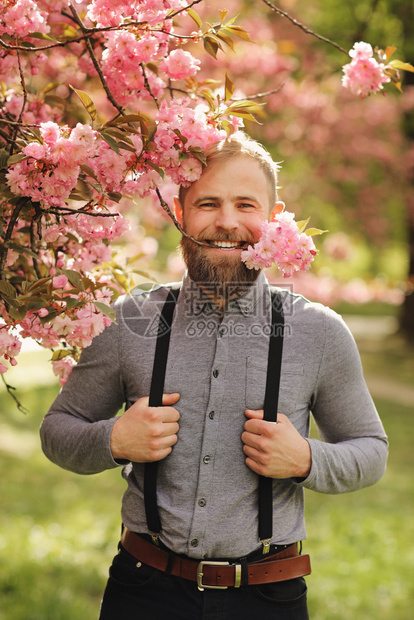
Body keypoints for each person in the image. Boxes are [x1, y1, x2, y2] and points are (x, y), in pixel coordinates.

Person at [40, 132, 388, 620]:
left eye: (246, 204)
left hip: (269, 597)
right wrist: (114, 439)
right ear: (181, 213)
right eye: (207, 203)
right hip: (143, 591)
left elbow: (371, 451)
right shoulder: (129, 320)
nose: (227, 221)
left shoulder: (320, 332)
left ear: (273, 216)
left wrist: (307, 458)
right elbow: (58, 430)